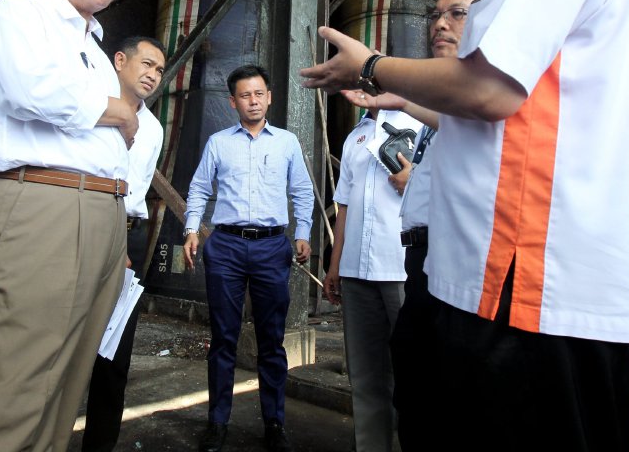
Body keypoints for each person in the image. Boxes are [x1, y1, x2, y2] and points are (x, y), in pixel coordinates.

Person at [301, 0, 629, 450]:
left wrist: (370, 65)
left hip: (526, 297)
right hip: (518, 291)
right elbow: (507, 120)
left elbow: (489, 90)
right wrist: (406, 94)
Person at [0, 0, 137, 452]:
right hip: (41, 207)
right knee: (13, 394)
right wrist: (119, 112)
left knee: (62, 393)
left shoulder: (97, 51)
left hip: (101, 216)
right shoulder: (20, 12)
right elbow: (29, 90)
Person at [341, 0, 486, 451]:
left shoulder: (490, 97)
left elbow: (473, 120)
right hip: (413, 260)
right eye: (436, 15)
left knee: (450, 394)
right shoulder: (365, 132)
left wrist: (389, 80)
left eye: (457, 14)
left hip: (451, 266)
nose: (439, 24)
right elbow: (344, 203)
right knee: (407, 383)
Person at [183, 64, 314, 452]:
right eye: (245, 95)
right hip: (226, 246)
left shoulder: (287, 142)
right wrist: (192, 229)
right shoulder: (218, 143)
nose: (253, 101)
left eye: (259, 94)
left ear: (269, 97)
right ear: (233, 102)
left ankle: (274, 422)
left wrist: (303, 233)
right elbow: (199, 188)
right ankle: (217, 422)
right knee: (223, 337)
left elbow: (302, 191)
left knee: (271, 340)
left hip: (272, 247)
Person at [83, 36, 166, 452]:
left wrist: (126, 243)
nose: (153, 75)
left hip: (128, 232)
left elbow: (139, 190)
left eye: (159, 70)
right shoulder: (89, 101)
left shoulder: (154, 128)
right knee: (61, 345)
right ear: (119, 60)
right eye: (146, 64)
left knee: (114, 353)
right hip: (84, 222)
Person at [324, 99, 419, 451]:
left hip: (401, 268)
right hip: (355, 271)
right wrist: (335, 265)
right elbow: (344, 206)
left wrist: (415, 179)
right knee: (365, 375)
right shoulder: (356, 137)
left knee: (414, 374)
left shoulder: (421, 123)